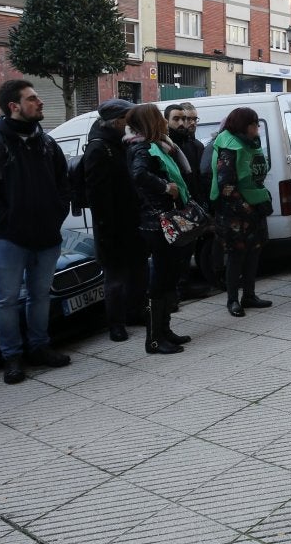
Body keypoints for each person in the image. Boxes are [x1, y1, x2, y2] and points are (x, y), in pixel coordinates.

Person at [0, 80, 73, 384]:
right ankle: (12, 357)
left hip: (47, 235)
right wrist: (6, 223)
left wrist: (57, 213)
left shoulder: (46, 142)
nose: (40, 102)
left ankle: (39, 347)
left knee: (40, 295)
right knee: (7, 298)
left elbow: (63, 182)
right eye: (33, 99)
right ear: (14, 106)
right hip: (9, 239)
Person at [125, 104, 194, 354]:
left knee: (169, 276)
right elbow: (139, 175)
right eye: (160, 118)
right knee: (161, 278)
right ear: (151, 121)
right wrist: (166, 187)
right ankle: (154, 339)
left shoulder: (158, 146)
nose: (165, 122)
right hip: (155, 222)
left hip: (163, 219)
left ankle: (164, 330)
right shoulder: (142, 148)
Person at [82, 99, 147, 343]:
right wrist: (106, 229)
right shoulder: (99, 148)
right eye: (129, 119)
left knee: (139, 272)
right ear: (119, 121)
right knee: (116, 278)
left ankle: (135, 312)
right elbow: (97, 195)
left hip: (132, 221)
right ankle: (116, 324)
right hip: (112, 226)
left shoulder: (122, 144)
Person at [210, 107, 273, 317]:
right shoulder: (229, 145)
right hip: (234, 212)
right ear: (242, 126)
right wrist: (246, 208)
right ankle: (233, 300)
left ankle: (249, 295)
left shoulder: (250, 142)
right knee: (236, 256)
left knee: (254, 252)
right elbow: (226, 185)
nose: (257, 129)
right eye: (254, 124)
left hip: (254, 207)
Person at [165, 102, 215, 298]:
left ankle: (182, 286)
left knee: (188, 248)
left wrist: (202, 203)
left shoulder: (194, 145)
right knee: (175, 252)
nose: (186, 123)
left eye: (189, 119)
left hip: (192, 205)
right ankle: (175, 291)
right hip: (175, 206)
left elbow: (198, 177)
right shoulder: (166, 146)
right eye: (178, 119)